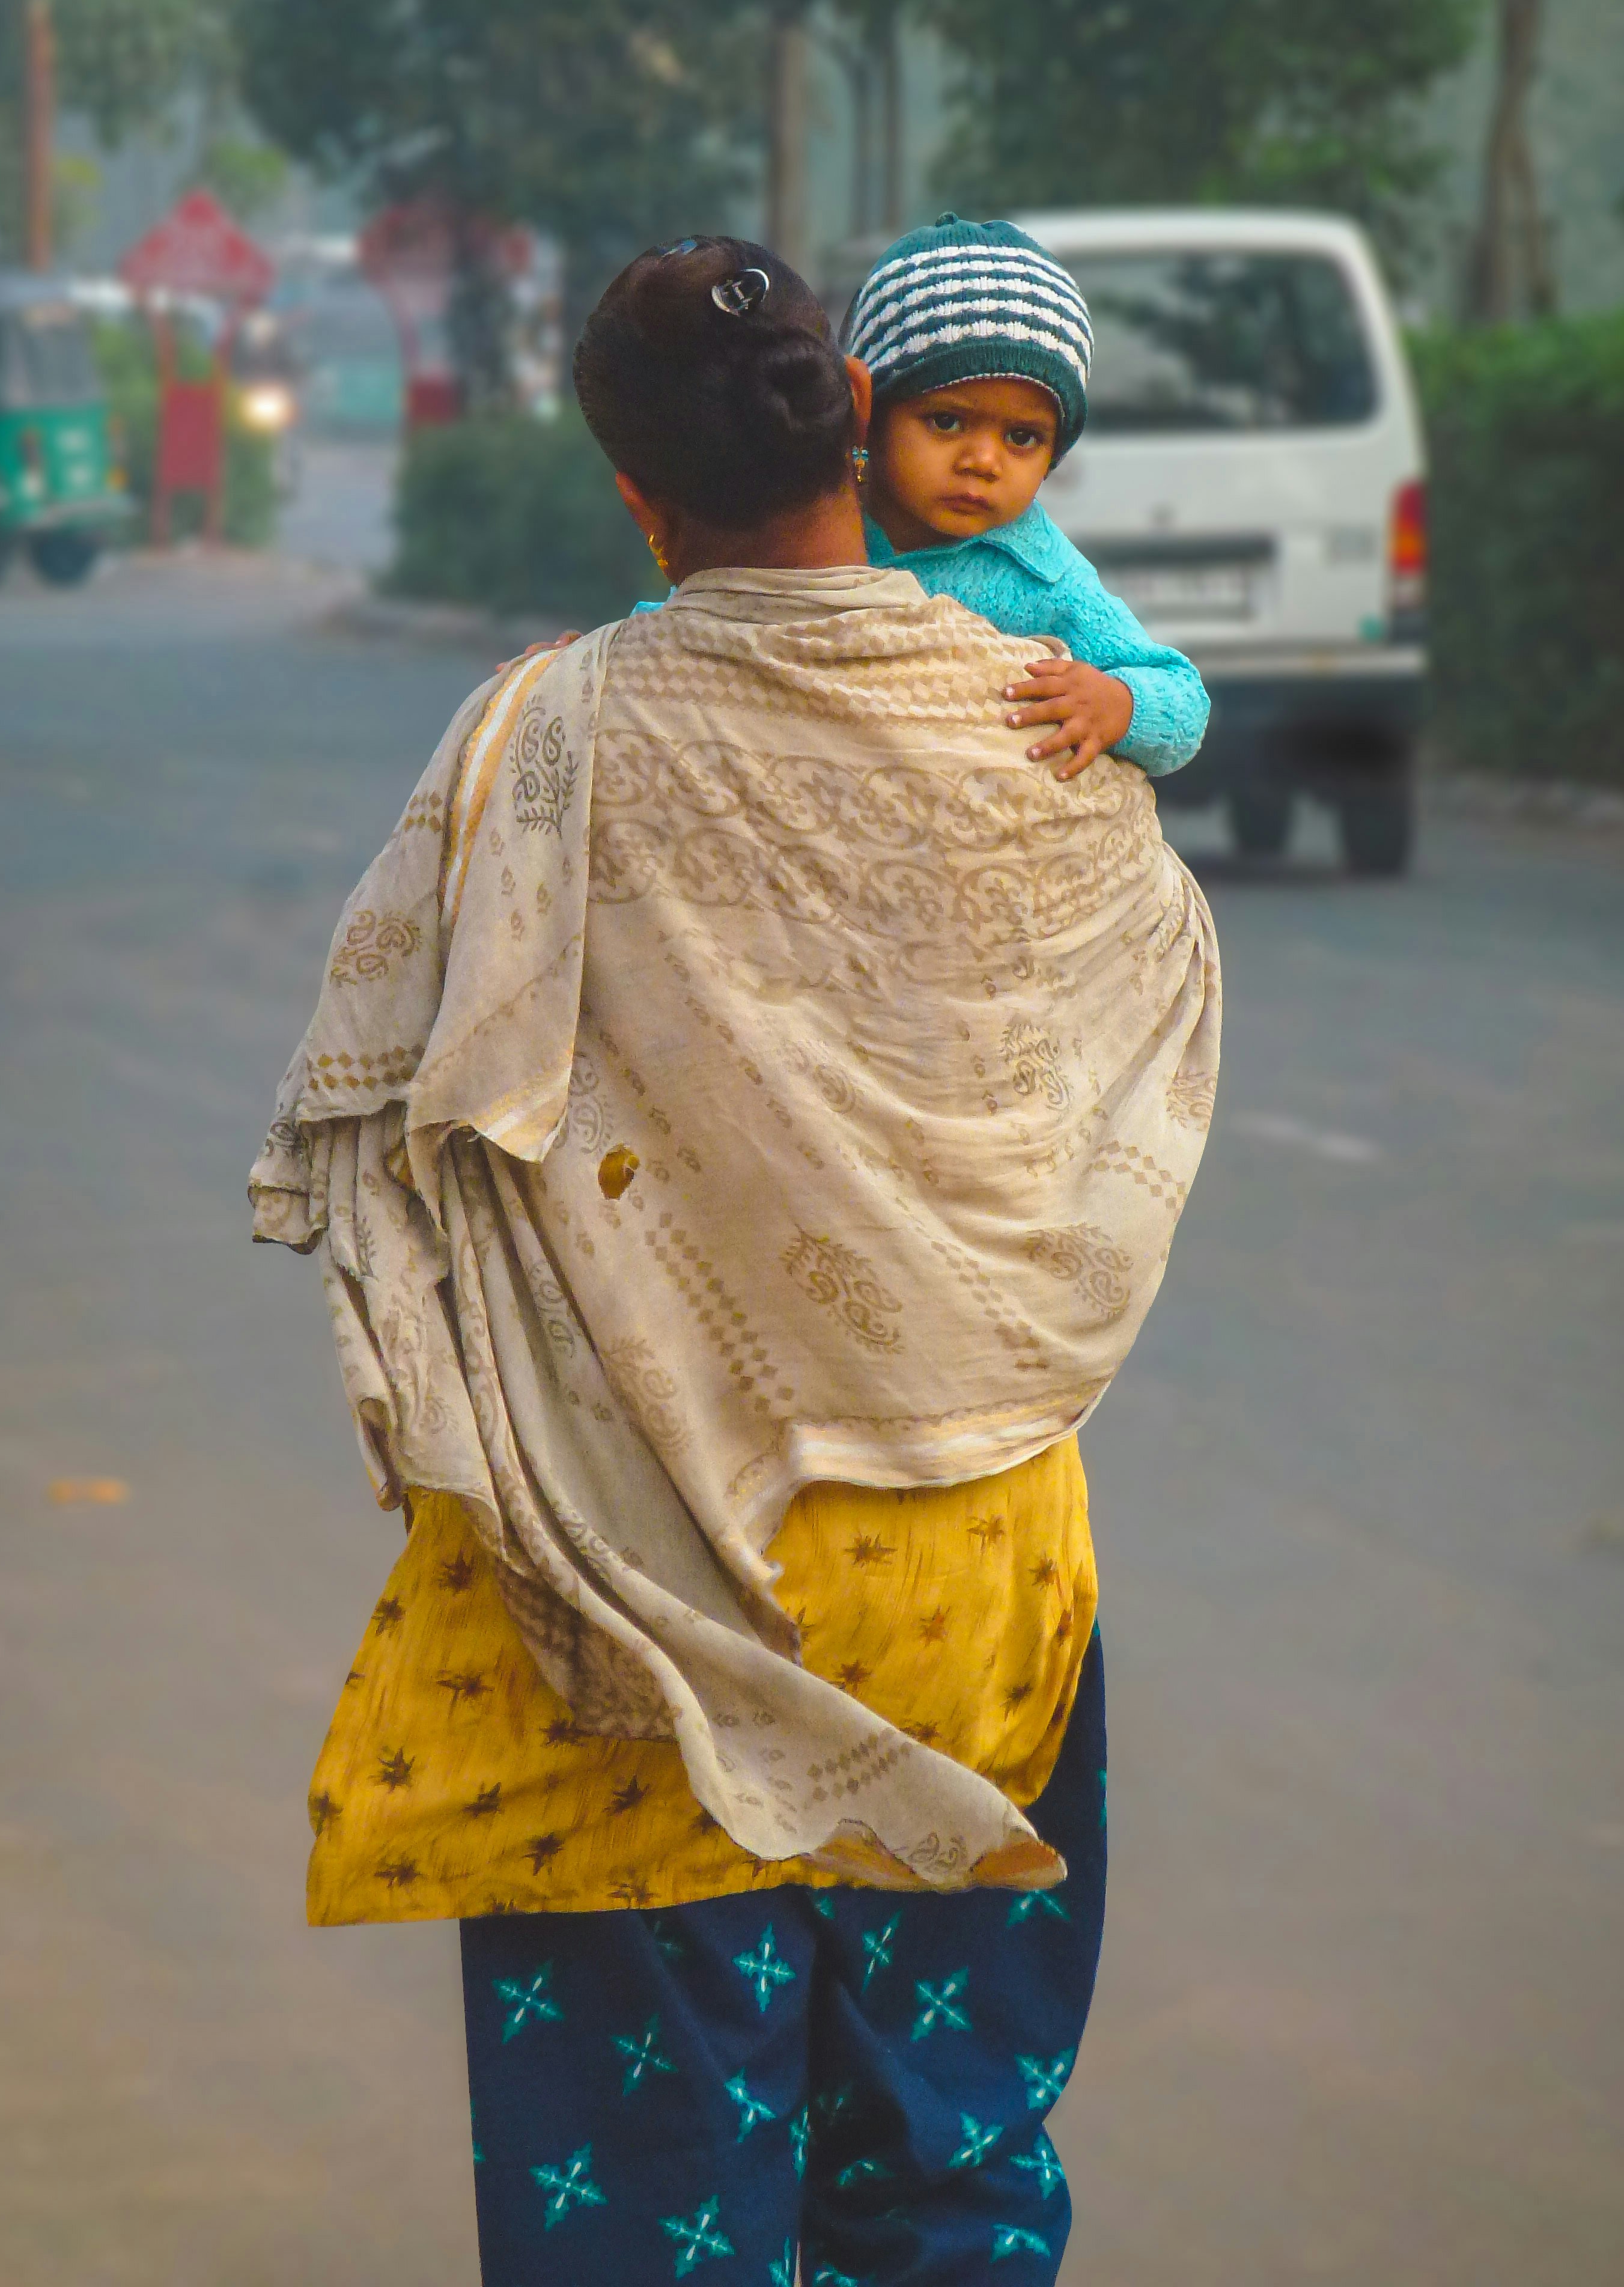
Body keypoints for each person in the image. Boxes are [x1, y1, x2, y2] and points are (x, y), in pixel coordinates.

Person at [249, 234, 1220, 2287]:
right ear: (858, 419)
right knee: (943, 2167)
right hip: (977, 1569)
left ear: (636, 495)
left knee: (653, 2200)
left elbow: (393, 1126)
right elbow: (1143, 1060)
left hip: (642, 1592)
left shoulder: (542, 741)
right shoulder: (1048, 725)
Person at [844, 210, 1209, 786]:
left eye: (1021, 437)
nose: (983, 462)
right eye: (946, 421)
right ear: (869, 413)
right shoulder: (813, 525)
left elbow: (1184, 702)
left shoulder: (1043, 577)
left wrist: (1116, 703)